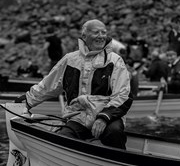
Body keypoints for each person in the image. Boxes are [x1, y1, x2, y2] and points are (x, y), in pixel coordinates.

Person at [23, 19, 133, 150]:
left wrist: (104, 117)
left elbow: (123, 95)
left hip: (108, 117)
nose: (101, 36)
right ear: (84, 36)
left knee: (114, 132)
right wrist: (26, 101)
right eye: (96, 32)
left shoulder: (115, 60)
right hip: (78, 117)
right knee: (63, 140)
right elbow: (47, 86)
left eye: (104, 32)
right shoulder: (69, 59)